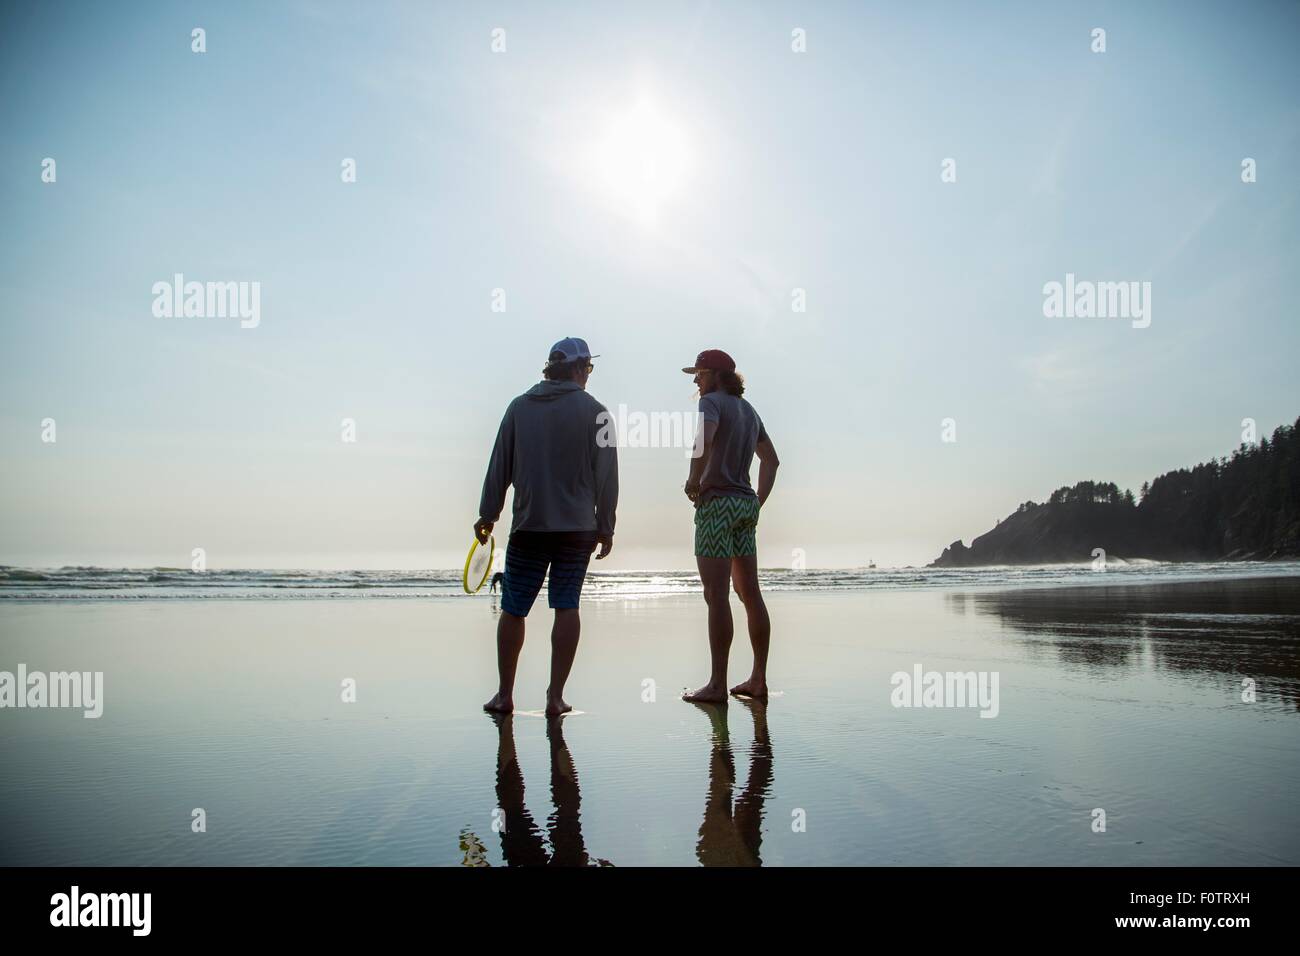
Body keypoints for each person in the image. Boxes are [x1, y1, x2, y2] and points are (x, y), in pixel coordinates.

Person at [475, 337, 618, 716]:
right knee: (566, 606)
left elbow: (499, 465)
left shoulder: (519, 408)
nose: (588, 374)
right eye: (587, 368)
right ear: (576, 368)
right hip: (577, 529)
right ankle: (555, 698)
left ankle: (505, 695)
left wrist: (488, 513)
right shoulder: (597, 412)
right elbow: (607, 477)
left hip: (529, 525)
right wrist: (606, 526)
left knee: (514, 609)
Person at [680, 349, 779, 703]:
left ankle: (717, 685)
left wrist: (694, 479)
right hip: (743, 505)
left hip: (717, 502)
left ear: (716, 376)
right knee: (750, 593)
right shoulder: (749, 411)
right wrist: (757, 501)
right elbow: (771, 460)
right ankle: (758, 679)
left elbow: (704, 439)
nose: (696, 380)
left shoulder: (711, 403)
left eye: (700, 373)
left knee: (716, 595)